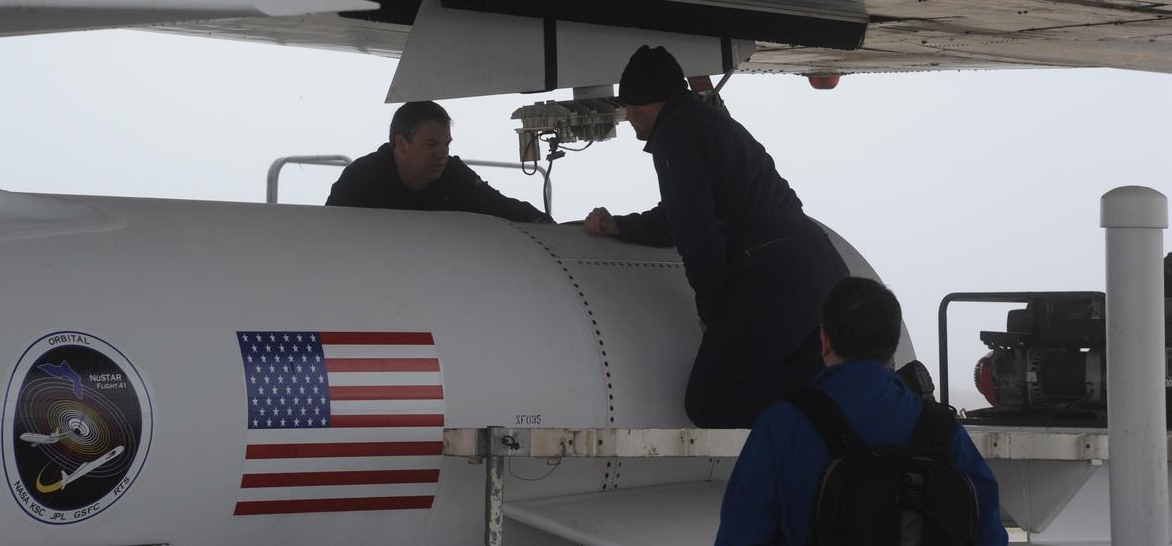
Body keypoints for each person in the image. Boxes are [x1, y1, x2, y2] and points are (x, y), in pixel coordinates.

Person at [584, 45, 847, 427]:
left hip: (775, 280)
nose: (630, 120)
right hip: (820, 269)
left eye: (633, 109)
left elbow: (696, 233)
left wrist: (712, 311)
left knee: (710, 401)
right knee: (809, 370)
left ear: (647, 105)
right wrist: (622, 226)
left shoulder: (675, 135)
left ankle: (817, 409)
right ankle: (837, 406)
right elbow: (686, 214)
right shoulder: (706, 122)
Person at [715, 277, 1007, 545]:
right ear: (893, 345)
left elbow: (740, 532)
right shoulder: (942, 430)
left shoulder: (781, 426)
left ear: (824, 340)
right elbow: (987, 532)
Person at [327, 100, 549, 222]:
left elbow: (498, 205)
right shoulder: (362, 179)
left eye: (447, 144)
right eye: (431, 145)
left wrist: (542, 223)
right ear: (402, 145)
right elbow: (331, 232)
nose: (442, 154)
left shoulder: (453, 174)